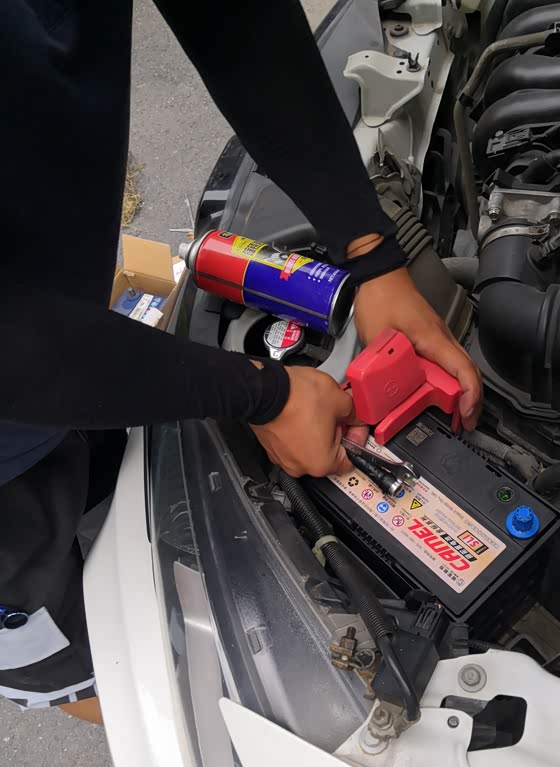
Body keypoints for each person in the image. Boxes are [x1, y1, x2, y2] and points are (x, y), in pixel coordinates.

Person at [0, 0, 482, 723]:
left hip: (70, 342)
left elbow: (234, 18)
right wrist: (259, 393)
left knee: (123, 497)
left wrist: (369, 250)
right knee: (102, 674)